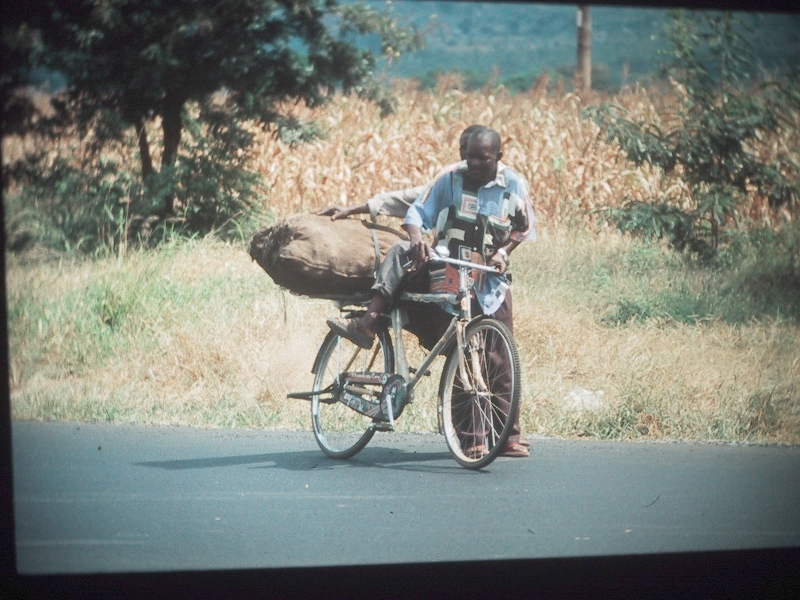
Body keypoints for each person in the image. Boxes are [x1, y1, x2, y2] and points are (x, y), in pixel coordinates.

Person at [328, 126, 534, 457]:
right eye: (469, 156)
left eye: (483, 157)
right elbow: (413, 208)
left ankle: (507, 435)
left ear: (499, 155)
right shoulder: (450, 179)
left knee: (500, 357)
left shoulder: (513, 185)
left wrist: (504, 252)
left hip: (490, 280)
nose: (475, 163)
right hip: (450, 270)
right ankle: (471, 438)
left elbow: (523, 228)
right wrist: (415, 237)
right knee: (464, 352)